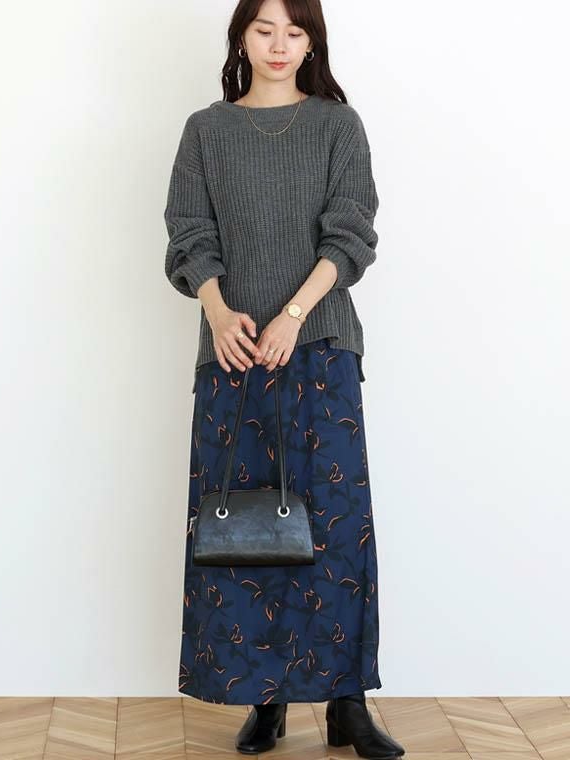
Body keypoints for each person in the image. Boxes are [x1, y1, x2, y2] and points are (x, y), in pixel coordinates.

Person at [163, 0, 405, 757]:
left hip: (320, 347)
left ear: (312, 42)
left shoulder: (338, 126)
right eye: (265, 29)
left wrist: (295, 314)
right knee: (246, 532)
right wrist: (217, 311)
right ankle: (262, 698)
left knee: (333, 531)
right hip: (234, 354)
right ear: (241, 35)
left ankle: (346, 703)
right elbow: (189, 232)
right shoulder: (206, 130)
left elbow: (351, 232)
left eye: (295, 32)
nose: (279, 44)